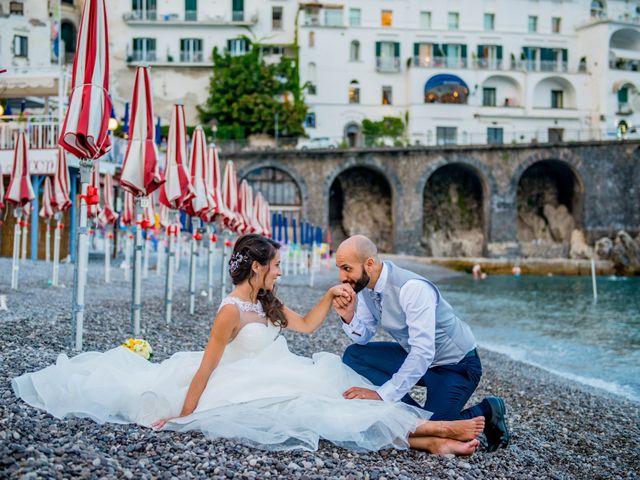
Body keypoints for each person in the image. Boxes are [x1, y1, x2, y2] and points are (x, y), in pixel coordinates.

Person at [13, 234, 483, 455]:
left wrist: (329, 300)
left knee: (334, 398)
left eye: (344, 271)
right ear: (256, 268)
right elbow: (204, 368)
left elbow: (303, 327)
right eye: (275, 265)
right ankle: (434, 436)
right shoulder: (231, 312)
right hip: (240, 382)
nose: (280, 271)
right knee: (321, 409)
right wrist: (183, 414)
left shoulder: (267, 302)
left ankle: (434, 432)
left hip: (293, 369)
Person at [333, 235, 509, 452]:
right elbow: (364, 336)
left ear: (369, 263)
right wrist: (348, 316)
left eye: (347, 268)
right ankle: (407, 417)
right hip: (418, 359)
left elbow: (424, 351)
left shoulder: (412, 288)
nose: (341, 276)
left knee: (435, 426)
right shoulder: (367, 287)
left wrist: (381, 394)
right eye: (339, 268)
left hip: (455, 365)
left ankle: (488, 410)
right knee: (354, 355)